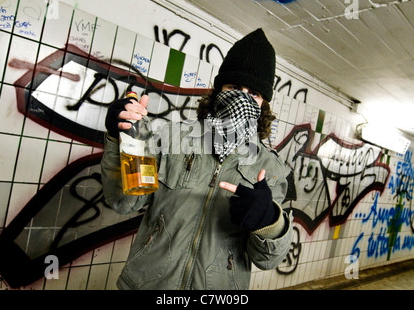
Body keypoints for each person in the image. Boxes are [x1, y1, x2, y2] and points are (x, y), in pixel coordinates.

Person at [101, 28, 293, 290]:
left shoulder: (271, 169)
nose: (241, 99)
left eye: (254, 94)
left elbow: (268, 259)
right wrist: (121, 136)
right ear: (217, 92)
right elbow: (126, 200)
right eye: (234, 87)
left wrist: (270, 221)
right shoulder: (171, 137)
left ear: (263, 106)